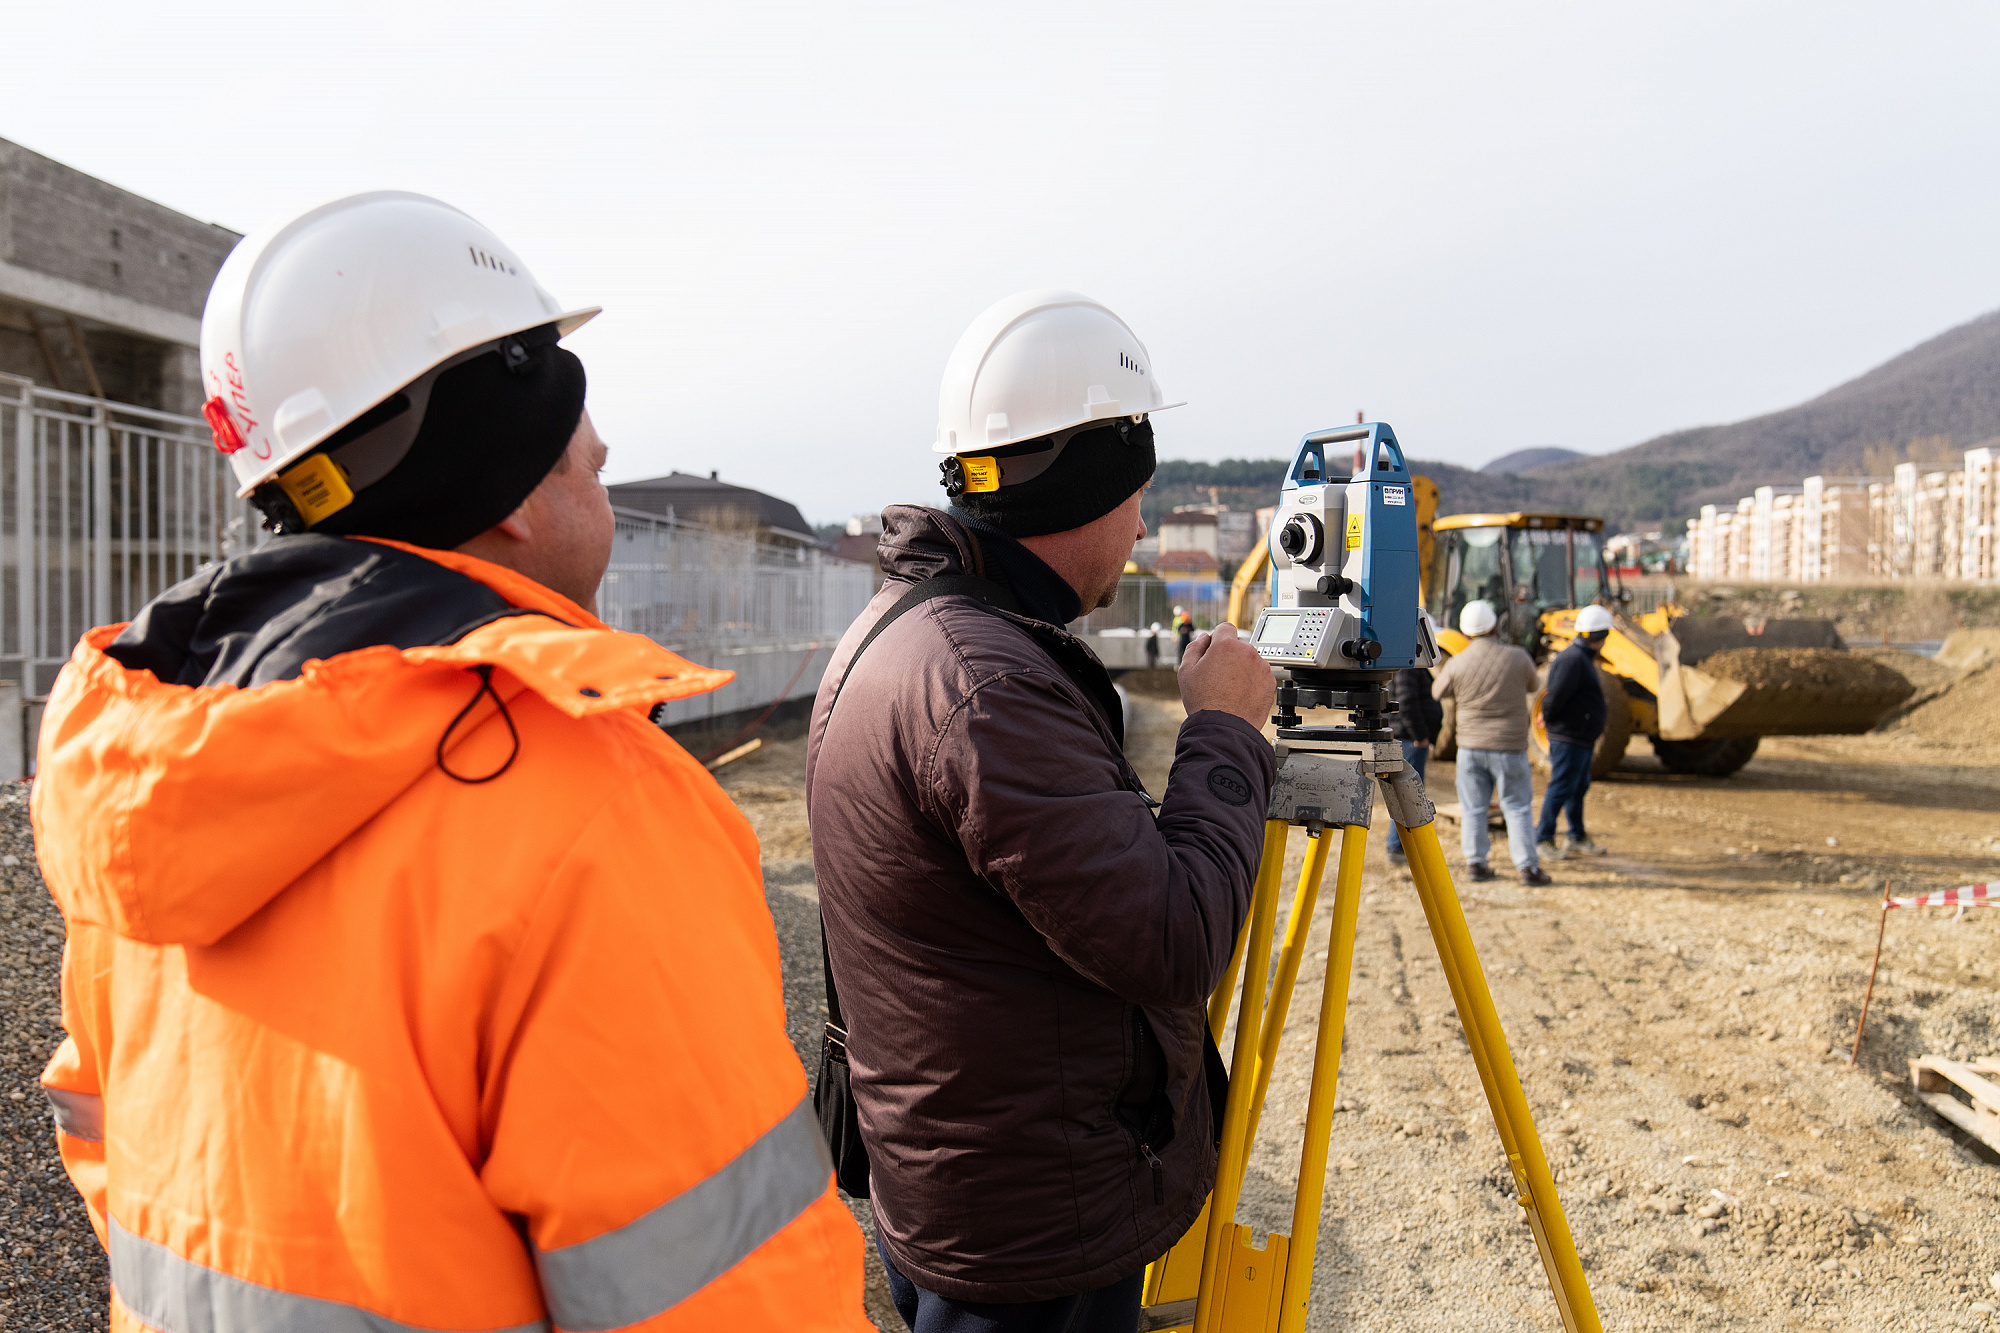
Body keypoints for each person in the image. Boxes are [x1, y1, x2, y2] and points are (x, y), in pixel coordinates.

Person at [33, 193, 868, 1331]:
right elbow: (729, 1295)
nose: (602, 457)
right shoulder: (586, 807)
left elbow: (106, 1136)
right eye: (578, 437)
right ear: (507, 488)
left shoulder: (151, 764)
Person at [808, 289, 1278, 1331]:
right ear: (1089, 483)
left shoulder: (906, 630)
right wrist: (1226, 734)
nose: (1145, 524)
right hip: (1026, 1229)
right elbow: (1169, 936)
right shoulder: (987, 685)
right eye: (1138, 493)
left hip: (963, 1186)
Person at [1433, 599, 1550, 886]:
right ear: (1495, 626)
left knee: (1473, 807)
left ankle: (1476, 864)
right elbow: (1535, 686)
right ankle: (1527, 868)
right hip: (1509, 749)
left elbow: (1438, 692)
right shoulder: (1519, 657)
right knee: (1517, 807)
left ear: (1465, 631)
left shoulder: (1458, 662)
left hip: (1470, 749)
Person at [1537, 604, 1615, 861]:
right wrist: (1548, 719)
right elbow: (1554, 696)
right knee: (1561, 786)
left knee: (1577, 787)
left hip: (1579, 737)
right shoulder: (1573, 660)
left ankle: (1576, 836)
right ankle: (1543, 839)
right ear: (1599, 636)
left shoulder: (1580, 659)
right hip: (1568, 736)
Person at [1385, 663, 1443, 866]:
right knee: (1407, 796)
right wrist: (1420, 735)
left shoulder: (1409, 666)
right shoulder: (1407, 667)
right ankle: (1398, 847)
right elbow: (1406, 702)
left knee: (1407, 795)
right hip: (1410, 739)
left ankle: (1401, 847)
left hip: (1408, 737)